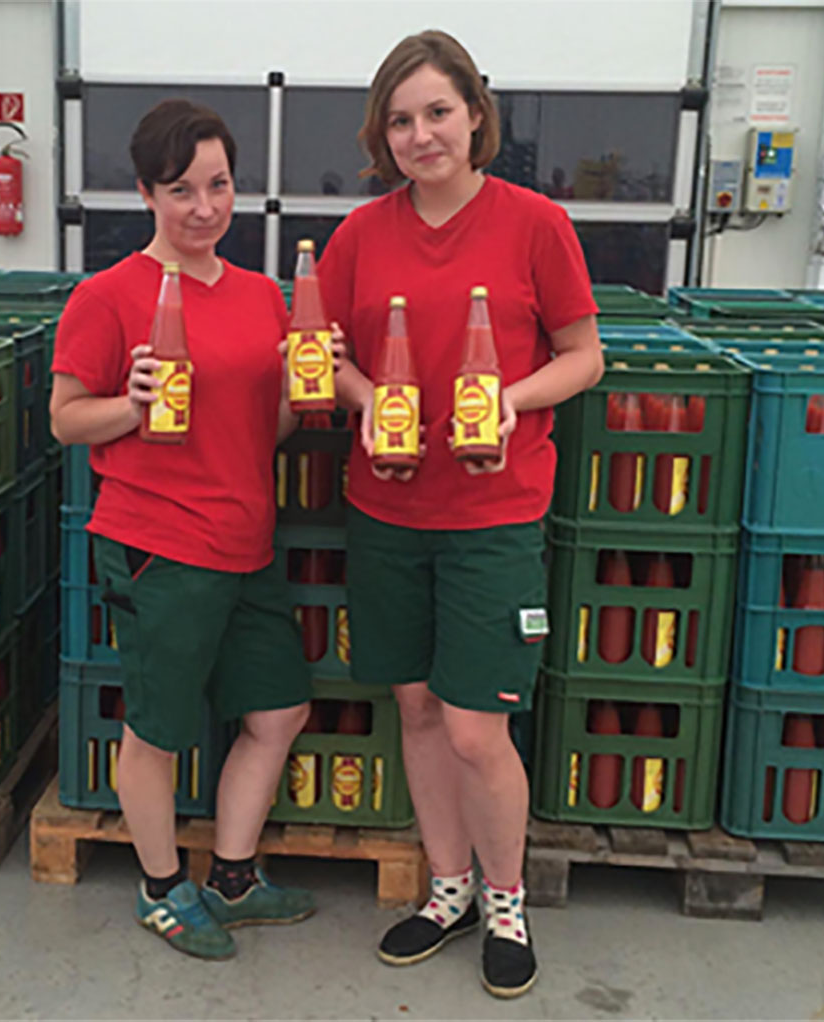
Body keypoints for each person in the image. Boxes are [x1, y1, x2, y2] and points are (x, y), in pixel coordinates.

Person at [317, 30, 604, 998]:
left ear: (476, 115)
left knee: (478, 727)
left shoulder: (535, 224)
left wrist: (510, 400)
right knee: (418, 707)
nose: (421, 135)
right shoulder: (361, 236)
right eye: (400, 121)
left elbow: (584, 354)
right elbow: (327, 355)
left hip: (494, 509)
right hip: (388, 507)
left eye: (438, 112)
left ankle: (505, 897)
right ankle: (447, 889)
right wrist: (367, 400)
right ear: (382, 135)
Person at [50, 99, 316, 961]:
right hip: (160, 544)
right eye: (181, 190)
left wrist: (305, 385)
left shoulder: (261, 296)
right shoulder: (107, 297)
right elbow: (65, 419)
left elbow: (264, 428)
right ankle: (162, 888)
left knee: (279, 710)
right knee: (157, 728)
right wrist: (128, 406)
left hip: (247, 540)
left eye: (219, 185)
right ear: (145, 193)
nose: (204, 208)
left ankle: (232, 878)